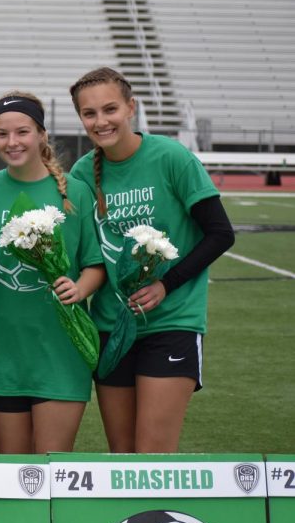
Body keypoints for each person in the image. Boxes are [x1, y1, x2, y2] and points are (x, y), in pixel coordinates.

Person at [68, 67, 235, 453]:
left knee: (153, 455)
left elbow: (220, 233)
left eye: (110, 109)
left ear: (131, 107)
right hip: (111, 328)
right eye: (89, 113)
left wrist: (165, 284)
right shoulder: (81, 174)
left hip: (171, 323)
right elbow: (86, 255)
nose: (100, 121)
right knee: (123, 456)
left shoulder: (171, 157)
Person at [0, 92, 105, 454]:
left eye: (22, 132)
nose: (12, 142)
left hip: (60, 352)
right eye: (2, 134)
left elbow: (95, 263)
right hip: (1, 352)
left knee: (51, 469)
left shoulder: (74, 193)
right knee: (15, 475)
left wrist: (79, 289)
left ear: (42, 134)